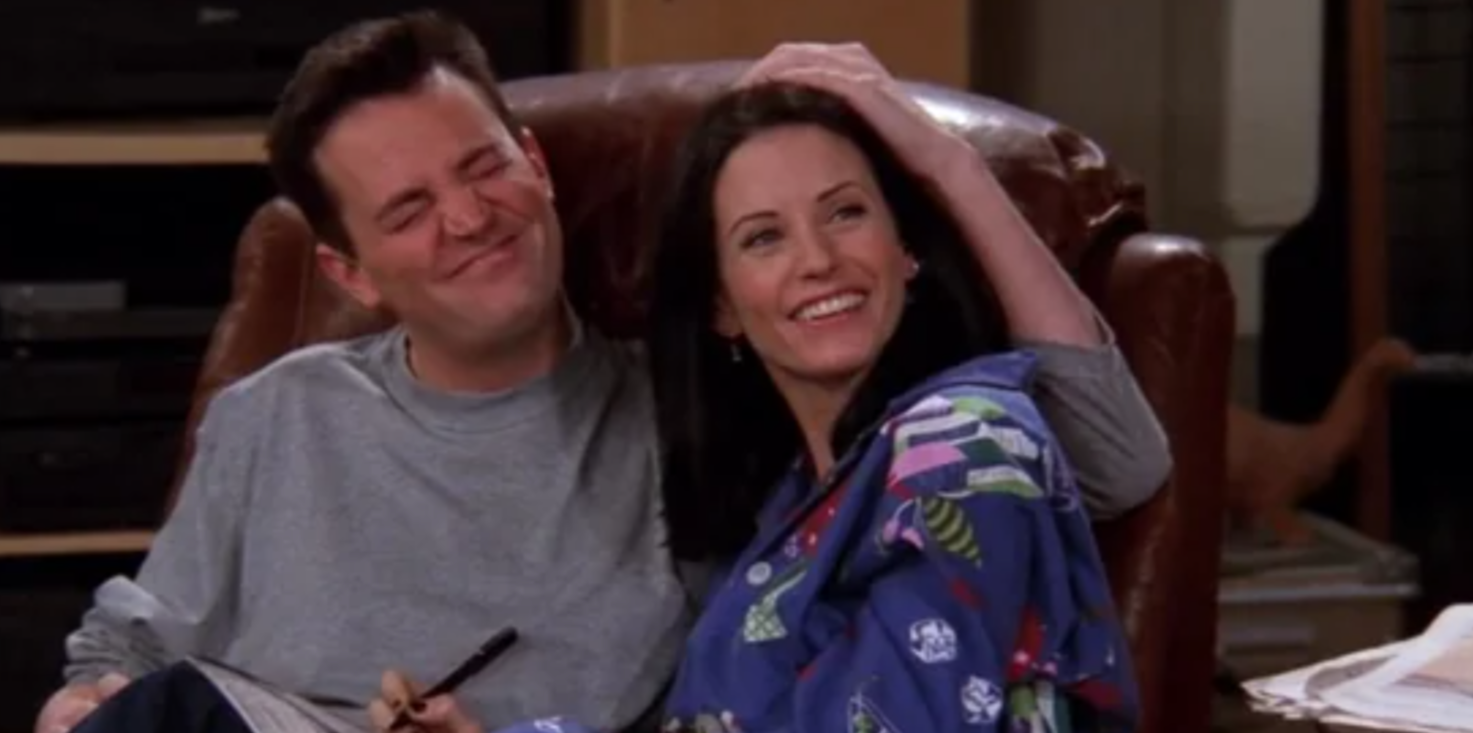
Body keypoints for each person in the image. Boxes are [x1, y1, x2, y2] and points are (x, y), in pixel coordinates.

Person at [36, 13, 1162, 733]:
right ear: (349, 271)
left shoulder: (701, 411)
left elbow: (1107, 458)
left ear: (534, 164)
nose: (469, 218)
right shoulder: (273, 414)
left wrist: (939, 163)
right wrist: (80, 702)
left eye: (483, 168)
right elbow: (123, 648)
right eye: (411, 209)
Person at [428, 44, 1139, 733]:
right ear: (722, 306)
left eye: (845, 212)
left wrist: (947, 162)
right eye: (764, 238)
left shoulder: (963, 441)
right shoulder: (792, 502)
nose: (818, 260)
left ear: (905, 249)